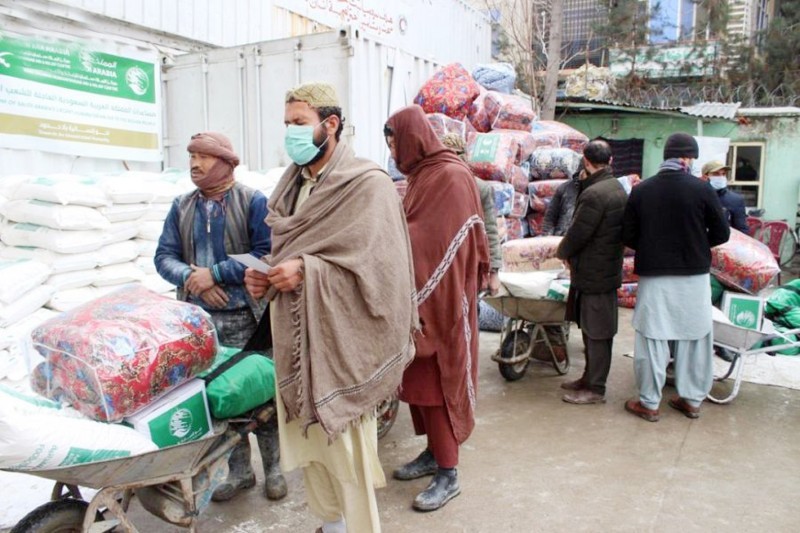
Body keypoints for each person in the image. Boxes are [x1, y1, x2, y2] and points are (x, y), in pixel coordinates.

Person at [243, 82, 418, 533]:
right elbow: (296, 249)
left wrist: (308, 271)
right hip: (300, 342)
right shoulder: (290, 188)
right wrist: (267, 274)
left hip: (343, 348)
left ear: (330, 124)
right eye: (286, 125)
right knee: (313, 454)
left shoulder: (367, 185)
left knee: (346, 458)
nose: (291, 134)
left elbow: (383, 275)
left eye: (299, 123)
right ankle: (332, 526)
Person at [154, 132, 287, 502]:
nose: (195, 164)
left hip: (248, 317)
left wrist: (215, 274)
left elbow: (265, 254)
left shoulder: (253, 202)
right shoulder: (181, 206)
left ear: (227, 163)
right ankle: (240, 472)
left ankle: (274, 469)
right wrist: (192, 280)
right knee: (222, 400)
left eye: (204, 157)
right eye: (191, 156)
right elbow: (163, 257)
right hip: (201, 324)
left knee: (261, 397)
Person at [385, 105, 489, 512]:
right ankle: (432, 453)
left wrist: (386, 235)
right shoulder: (422, 175)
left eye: (395, 139)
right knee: (417, 384)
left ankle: (449, 472)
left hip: (443, 301)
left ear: (413, 136)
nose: (393, 148)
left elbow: (432, 240)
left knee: (438, 386)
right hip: (418, 301)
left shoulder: (450, 175)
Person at [622, 133, 730, 422]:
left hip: (655, 276)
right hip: (694, 275)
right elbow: (722, 233)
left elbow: (628, 234)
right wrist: (693, 242)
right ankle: (692, 400)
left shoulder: (642, 190)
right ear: (689, 158)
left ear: (666, 156)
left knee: (652, 337)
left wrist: (654, 243)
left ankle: (649, 403)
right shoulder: (702, 190)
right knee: (694, 335)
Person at [556, 139, 628, 404]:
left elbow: (579, 233)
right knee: (591, 330)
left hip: (596, 273)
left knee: (597, 333)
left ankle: (595, 388)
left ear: (586, 161)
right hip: (602, 270)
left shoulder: (596, 194)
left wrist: (561, 252)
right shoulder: (613, 187)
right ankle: (588, 378)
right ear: (610, 161)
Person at [440, 133, 501, 295]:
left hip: (468, 263)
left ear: (465, 157)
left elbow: (490, 230)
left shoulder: (479, 188)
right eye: (447, 155)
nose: (452, 161)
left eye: (457, 154)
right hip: (438, 264)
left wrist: (494, 272)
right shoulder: (431, 187)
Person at [701, 160, 749, 233]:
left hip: (725, 242)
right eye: (716, 174)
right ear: (705, 177)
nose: (721, 177)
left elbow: (741, 229)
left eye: (723, 174)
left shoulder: (735, 200)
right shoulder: (696, 196)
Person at [541, 163, 584, 236]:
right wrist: (547, 237)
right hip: (562, 237)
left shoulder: (600, 192)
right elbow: (550, 218)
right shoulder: (565, 188)